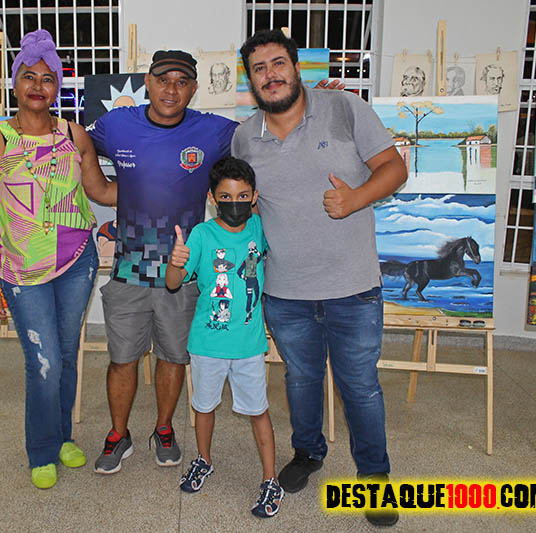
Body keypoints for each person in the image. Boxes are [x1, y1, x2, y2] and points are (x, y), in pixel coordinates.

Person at [86, 49, 346, 475]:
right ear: (147, 82)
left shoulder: (214, 131)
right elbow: (75, 141)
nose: (171, 89)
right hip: (129, 270)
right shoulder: (117, 124)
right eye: (163, 79)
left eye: (182, 82)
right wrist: (103, 187)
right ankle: (118, 434)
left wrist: (309, 100)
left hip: (185, 273)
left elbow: (269, 126)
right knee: (122, 359)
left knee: (173, 358)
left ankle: (164, 429)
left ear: (193, 89)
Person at [231, 29, 407, 527]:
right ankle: (308, 452)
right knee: (302, 380)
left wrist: (355, 198)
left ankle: (374, 479)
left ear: (296, 67)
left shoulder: (344, 108)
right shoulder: (245, 137)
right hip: (285, 293)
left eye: (278, 63)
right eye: (259, 68)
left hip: (354, 288)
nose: (270, 74)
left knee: (360, 387)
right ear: (252, 80)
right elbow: (244, 205)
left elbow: (394, 168)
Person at [0, 29, 115, 490]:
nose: (37, 86)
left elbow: (99, 190)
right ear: (15, 83)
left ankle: (63, 436)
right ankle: (41, 449)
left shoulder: (74, 135)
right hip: (22, 270)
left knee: (67, 355)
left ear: (58, 88)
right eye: (28, 76)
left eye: (47, 79)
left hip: (76, 262)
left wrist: (158, 185)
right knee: (44, 361)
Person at [166, 156, 282, 518]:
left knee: (258, 410)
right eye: (226, 197)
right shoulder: (201, 235)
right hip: (207, 344)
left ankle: (270, 479)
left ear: (254, 196)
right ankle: (203, 459)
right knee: (203, 406)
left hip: (249, 346)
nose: (235, 203)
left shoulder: (260, 227)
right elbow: (173, 283)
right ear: (212, 198)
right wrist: (175, 261)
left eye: (243, 196)